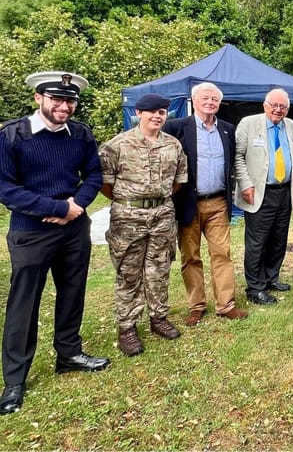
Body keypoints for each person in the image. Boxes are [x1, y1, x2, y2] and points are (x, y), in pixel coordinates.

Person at [0, 72, 109, 415]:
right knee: (24, 302)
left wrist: (75, 206)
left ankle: (69, 354)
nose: (64, 107)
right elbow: (5, 187)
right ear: (38, 98)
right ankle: (15, 380)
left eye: (70, 101)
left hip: (74, 228)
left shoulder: (80, 134)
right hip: (31, 230)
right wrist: (56, 208)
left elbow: (94, 174)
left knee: (73, 290)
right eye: (57, 100)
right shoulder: (12, 135)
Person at [100, 94, 188, 356]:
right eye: (151, 112)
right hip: (128, 218)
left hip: (162, 214)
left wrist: (155, 201)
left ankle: (158, 318)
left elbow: (178, 181)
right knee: (129, 272)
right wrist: (130, 202)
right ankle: (127, 327)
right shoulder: (117, 145)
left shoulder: (173, 145)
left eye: (162, 112)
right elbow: (105, 184)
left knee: (159, 268)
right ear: (139, 113)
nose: (157, 116)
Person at [162, 83, 247, 327]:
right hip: (189, 203)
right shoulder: (176, 127)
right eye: (205, 98)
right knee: (190, 257)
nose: (210, 102)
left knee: (222, 254)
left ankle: (226, 305)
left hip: (218, 202)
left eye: (214, 99)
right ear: (194, 100)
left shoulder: (228, 130)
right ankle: (196, 306)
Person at [234, 88, 293, 305]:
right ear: (265, 105)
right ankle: (255, 288)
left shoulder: (292, 126)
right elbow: (238, 157)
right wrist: (245, 184)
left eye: (283, 107)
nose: (278, 110)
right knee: (257, 242)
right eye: (274, 105)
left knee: (279, 239)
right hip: (258, 192)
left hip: (284, 191)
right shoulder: (249, 124)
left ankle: (271, 277)